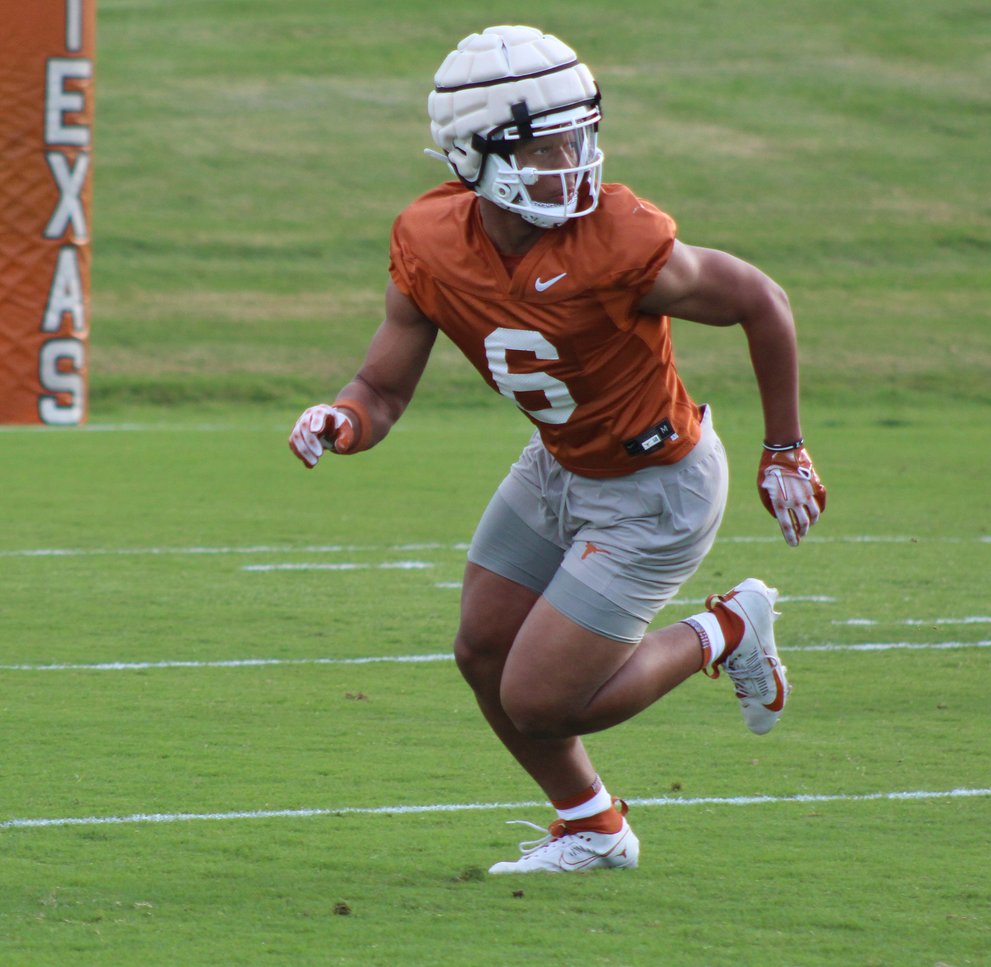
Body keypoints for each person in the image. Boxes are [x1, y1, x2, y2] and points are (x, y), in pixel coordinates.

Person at [288, 24, 826, 874]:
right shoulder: (429, 239)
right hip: (559, 465)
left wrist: (785, 446)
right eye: (543, 146)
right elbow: (381, 388)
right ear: (473, 156)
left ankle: (727, 627)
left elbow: (762, 299)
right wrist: (341, 420)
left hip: (657, 484)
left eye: (578, 135)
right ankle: (593, 826)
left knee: (538, 700)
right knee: (481, 651)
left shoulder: (616, 239)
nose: (571, 160)